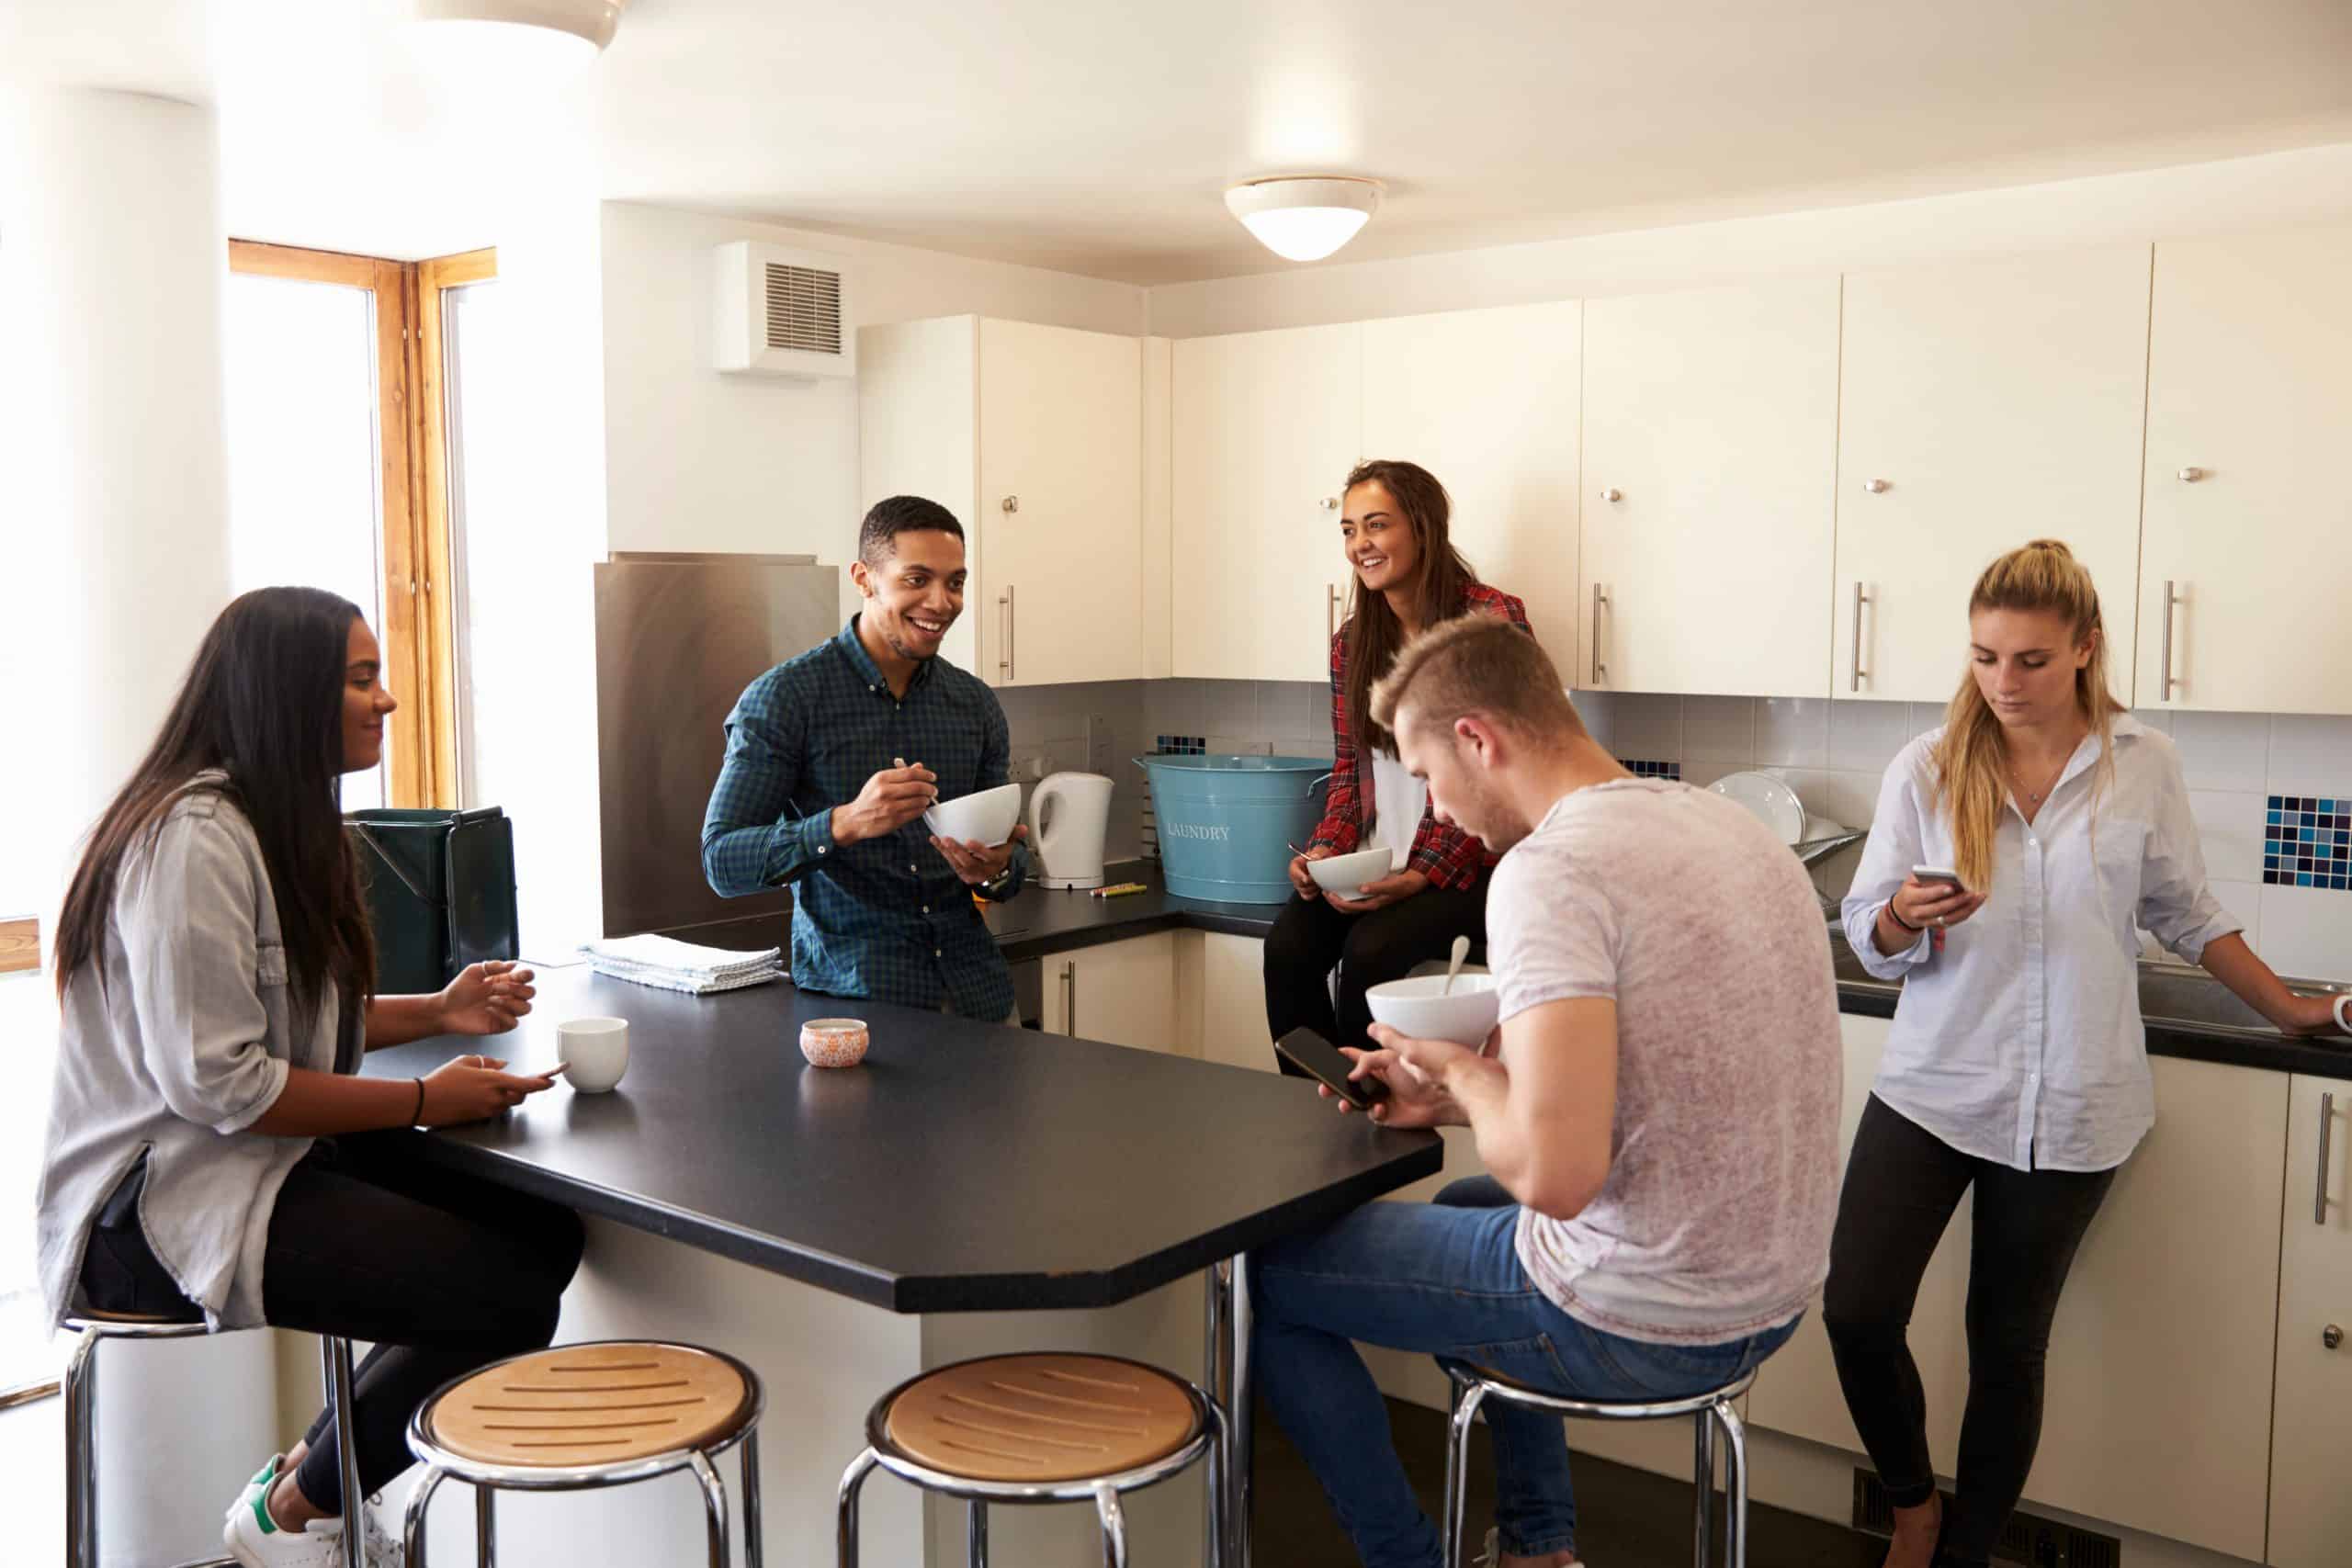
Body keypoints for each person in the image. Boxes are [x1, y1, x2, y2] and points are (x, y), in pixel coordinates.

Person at [1252, 614, 1842, 1568]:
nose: (1434, 809)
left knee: (1267, 1279)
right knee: (1466, 1197)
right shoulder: (1725, 825)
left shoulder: (1548, 872)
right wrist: (1457, 1096)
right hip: (1770, 1294)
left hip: (1648, 1316)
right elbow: (1650, 1080)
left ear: (1478, 739)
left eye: (1427, 776)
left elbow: (1557, 1180)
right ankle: (1538, 1548)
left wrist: (1466, 1074)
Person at [34, 587, 583, 1568]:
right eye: (362, 678)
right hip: (148, 1215)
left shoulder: (270, 822)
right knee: (500, 1294)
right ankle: (296, 1513)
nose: (389, 701)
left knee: (546, 1233)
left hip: (246, 1161)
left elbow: (282, 1026)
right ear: (288, 695)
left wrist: (436, 1012)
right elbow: (224, 1085)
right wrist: (424, 1099)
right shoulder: (192, 839)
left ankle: (299, 1488)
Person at [1827, 539, 2342, 1568]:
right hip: (1933, 1085)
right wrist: (1900, 914)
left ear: (2084, 649)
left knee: (2006, 1347)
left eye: (2028, 660)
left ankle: (1961, 1551)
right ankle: (1911, 1505)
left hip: (2073, 1101)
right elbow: (1863, 934)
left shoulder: (2141, 762)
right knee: (1856, 1309)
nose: (2002, 683)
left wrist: (2289, 1007)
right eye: (1982, 658)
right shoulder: (1926, 765)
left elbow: (2185, 913)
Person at [703, 495, 1029, 1022]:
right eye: (917, 579)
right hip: (857, 1009)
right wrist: (846, 823)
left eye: (955, 582)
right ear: (864, 578)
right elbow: (721, 860)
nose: (941, 602)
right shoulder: (786, 698)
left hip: (980, 1000)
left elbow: (1010, 868)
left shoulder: (974, 704)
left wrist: (994, 870)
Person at [1264, 459, 1532, 1071]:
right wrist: (1325, 852)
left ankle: (1373, 1117)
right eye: (1350, 530)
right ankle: (1318, 1103)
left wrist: (1419, 876)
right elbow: (1348, 774)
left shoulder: (1490, 622)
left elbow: (1494, 776)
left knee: (1371, 949)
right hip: (1380, 860)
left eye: (1376, 525)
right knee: (1287, 945)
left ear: (1422, 526)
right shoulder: (1353, 643)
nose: (1360, 544)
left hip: (1475, 869)